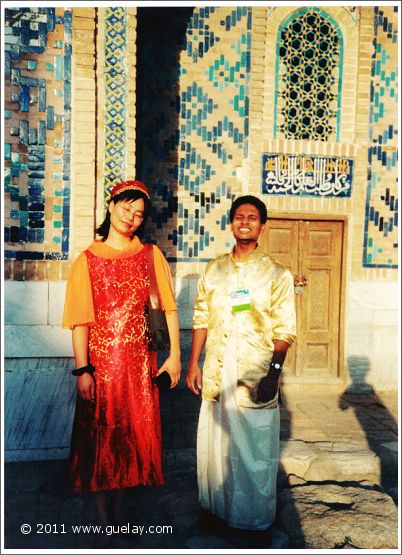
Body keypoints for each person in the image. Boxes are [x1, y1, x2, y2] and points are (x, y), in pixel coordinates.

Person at [62, 180, 181, 531]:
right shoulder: (87, 260)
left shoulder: (150, 255)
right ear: (111, 206)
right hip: (102, 369)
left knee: (130, 439)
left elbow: (169, 310)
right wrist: (82, 369)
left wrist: (173, 357)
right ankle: (103, 523)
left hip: (140, 366)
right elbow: (80, 321)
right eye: (127, 208)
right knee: (101, 440)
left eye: (139, 214)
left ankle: (118, 515)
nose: (132, 217)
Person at [186, 195, 296, 533]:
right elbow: (201, 317)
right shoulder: (214, 269)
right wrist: (193, 364)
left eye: (252, 217)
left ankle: (253, 521)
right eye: (238, 216)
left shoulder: (277, 274)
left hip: (255, 374)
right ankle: (217, 511)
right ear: (231, 223)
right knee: (215, 446)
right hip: (217, 370)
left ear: (262, 226)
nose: (244, 221)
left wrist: (273, 375)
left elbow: (285, 331)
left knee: (254, 452)